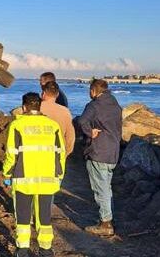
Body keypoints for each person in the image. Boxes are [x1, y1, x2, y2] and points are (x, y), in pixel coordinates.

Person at [3, 92, 66, 257]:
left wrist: (7, 173)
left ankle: (22, 249)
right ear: (39, 106)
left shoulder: (17, 126)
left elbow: (11, 154)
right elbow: (60, 153)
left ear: (24, 107)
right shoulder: (53, 126)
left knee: (23, 217)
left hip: (24, 179)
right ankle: (45, 249)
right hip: (48, 179)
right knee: (44, 217)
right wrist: (59, 175)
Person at [78, 79, 122, 236]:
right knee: (107, 187)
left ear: (93, 91)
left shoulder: (94, 105)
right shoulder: (115, 105)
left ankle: (106, 223)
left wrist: (90, 132)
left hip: (98, 151)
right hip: (113, 151)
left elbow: (82, 121)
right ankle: (109, 217)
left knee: (100, 188)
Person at [41, 81, 75, 156]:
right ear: (57, 94)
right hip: (57, 154)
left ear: (43, 93)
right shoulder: (65, 111)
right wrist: (65, 154)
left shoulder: (36, 109)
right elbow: (70, 137)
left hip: (37, 154)